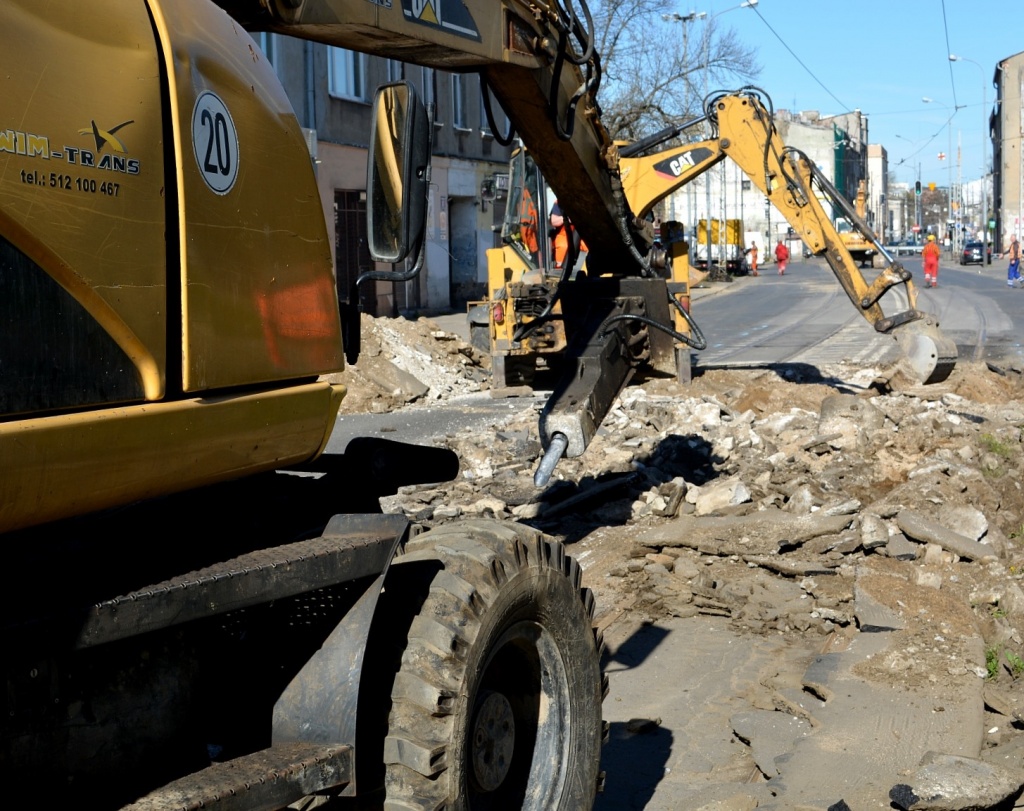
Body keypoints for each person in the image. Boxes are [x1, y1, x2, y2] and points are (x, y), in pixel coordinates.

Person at [549, 200, 587, 272]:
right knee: (563, 246)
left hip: (583, 235)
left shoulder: (587, 201)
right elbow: (553, 220)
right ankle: (562, 273)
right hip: (565, 235)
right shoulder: (559, 202)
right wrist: (567, 219)